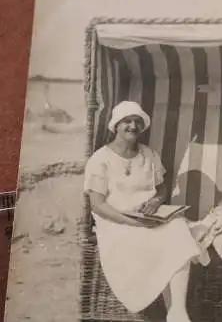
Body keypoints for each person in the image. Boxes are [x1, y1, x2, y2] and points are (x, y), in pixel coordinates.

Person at [83, 100, 200, 321]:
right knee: (151, 240)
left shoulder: (148, 154)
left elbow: (162, 187)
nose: (133, 126)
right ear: (116, 125)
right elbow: (97, 204)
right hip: (116, 221)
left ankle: (177, 310)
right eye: (127, 121)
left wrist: (156, 200)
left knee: (178, 228)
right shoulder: (101, 159)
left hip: (148, 217)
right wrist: (130, 222)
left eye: (137, 121)